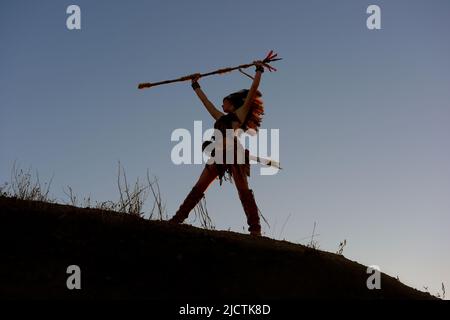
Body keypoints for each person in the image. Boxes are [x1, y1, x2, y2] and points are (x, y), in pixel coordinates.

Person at [168, 61, 266, 236]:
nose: (221, 106)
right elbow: (206, 102)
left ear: (232, 103)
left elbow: (252, 90)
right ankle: (177, 219)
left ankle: (255, 230)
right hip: (218, 155)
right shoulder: (219, 117)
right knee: (199, 187)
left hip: (235, 155)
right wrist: (195, 84)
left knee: (243, 190)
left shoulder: (240, 115)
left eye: (224, 103)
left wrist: (258, 69)